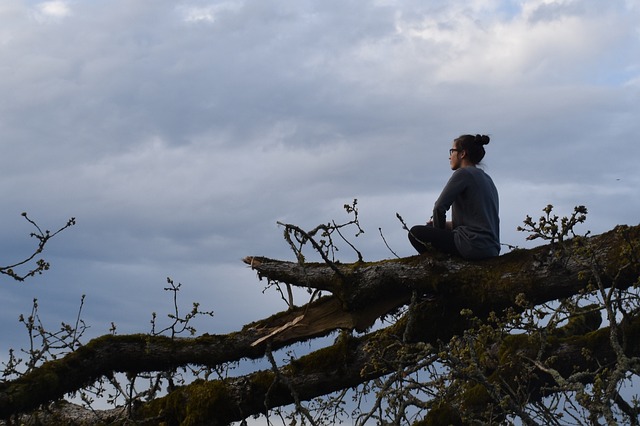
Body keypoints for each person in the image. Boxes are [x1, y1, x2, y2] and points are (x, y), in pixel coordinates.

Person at [408, 134, 500, 260]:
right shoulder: (487, 179)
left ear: (462, 154)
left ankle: (439, 263)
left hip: (472, 245)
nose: (449, 156)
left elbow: (439, 207)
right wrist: (445, 225)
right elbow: (478, 221)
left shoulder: (463, 173)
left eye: (452, 151)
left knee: (415, 233)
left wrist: (438, 233)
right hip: (491, 248)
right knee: (431, 226)